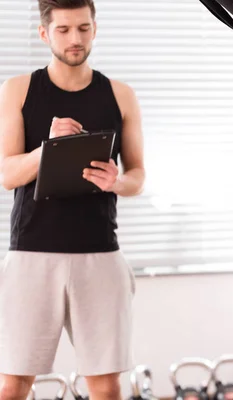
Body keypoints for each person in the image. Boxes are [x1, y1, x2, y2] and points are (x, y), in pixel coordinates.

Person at [0, 0, 144, 399]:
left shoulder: (121, 94)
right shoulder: (17, 90)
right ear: (45, 33)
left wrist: (117, 181)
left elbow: (137, 177)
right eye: (63, 30)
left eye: (83, 28)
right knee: (12, 384)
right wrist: (48, 148)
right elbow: (8, 174)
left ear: (95, 29)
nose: (75, 38)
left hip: (100, 254)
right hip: (31, 253)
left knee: (106, 385)